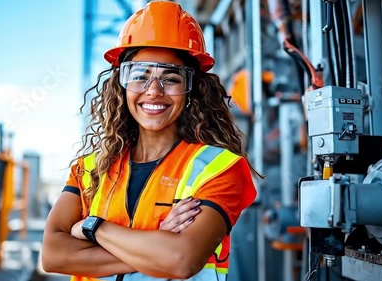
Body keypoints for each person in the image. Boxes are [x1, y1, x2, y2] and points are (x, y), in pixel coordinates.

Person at [42, 1, 260, 280]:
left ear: (192, 89)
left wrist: (92, 227)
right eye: (140, 77)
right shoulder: (88, 170)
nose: (153, 91)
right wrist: (156, 244)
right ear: (121, 86)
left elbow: (180, 260)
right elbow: (53, 255)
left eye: (171, 78)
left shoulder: (219, 169)